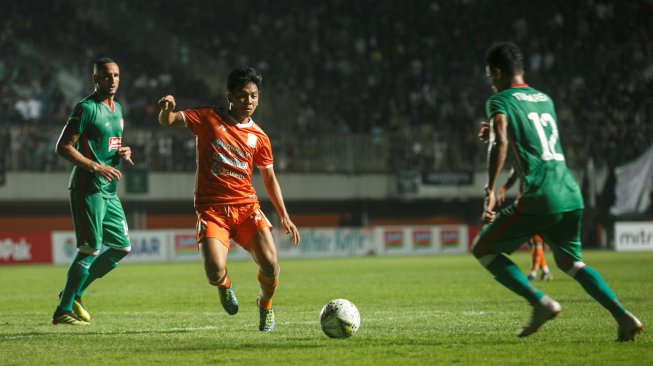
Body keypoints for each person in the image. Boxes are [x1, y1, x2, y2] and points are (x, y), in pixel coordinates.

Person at [472, 42, 643, 341]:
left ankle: (540, 303)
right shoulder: (544, 99)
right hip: (569, 192)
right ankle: (623, 316)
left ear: (497, 72)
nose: (490, 81)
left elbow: (499, 142)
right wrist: (504, 144)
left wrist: (490, 188)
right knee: (570, 262)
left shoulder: (499, 100)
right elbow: (529, 146)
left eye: (490, 75)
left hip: (542, 196)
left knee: (483, 249)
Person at [157, 67, 300, 332]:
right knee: (213, 268)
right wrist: (166, 110)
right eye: (243, 95)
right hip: (212, 209)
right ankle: (224, 287)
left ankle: (265, 305)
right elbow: (169, 121)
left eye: (254, 96)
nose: (250, 102)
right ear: (230, 96)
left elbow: (269, 178)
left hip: (247, 208)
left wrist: (284, 215)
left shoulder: (260, 137)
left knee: (271, 264)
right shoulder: (208, 118)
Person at [52, 57, 134, 325]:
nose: (112, 81)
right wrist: (96, 167)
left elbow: (109, 143)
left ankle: (74, 293)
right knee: (90, 248)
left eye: (116, 75)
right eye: (106, 76)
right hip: (88, 187)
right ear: (95, 79)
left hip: (109, 189)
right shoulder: (85, 108)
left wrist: (123, 151)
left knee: (122, 247)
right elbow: (63, 146)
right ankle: (63, 310)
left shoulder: (118, 109)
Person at [494, 168, 552, 282]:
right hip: (525, 205)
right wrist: (505, 188)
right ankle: (545, 270)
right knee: (532, 241)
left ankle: (533, 273)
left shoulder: (534, 164)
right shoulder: (522, 162)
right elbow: (514, 173)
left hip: (534, 204)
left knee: (536, 240)